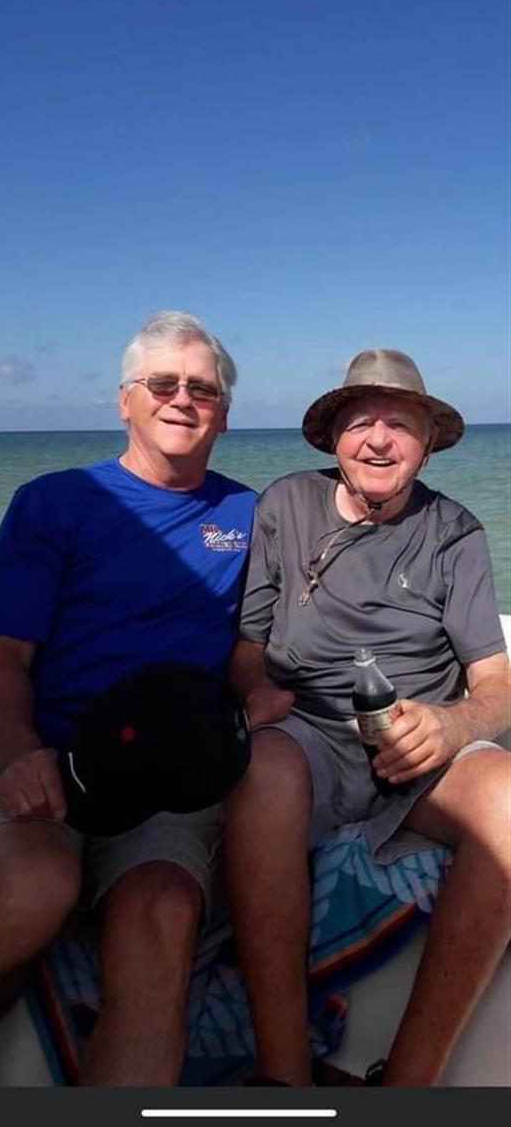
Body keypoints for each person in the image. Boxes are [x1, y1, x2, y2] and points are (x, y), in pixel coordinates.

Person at [0, 310, 257, 1085]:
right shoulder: (55, 501)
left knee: (163, 909)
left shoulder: (250, 516)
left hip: (160, 785)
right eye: (162, 382)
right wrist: (21, 751)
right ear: (124, 399)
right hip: (39, 755)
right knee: (37, 884)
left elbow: (261, 646)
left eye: (202, 387)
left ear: (224, 414)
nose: (182, 398)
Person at [224, 348, 511, 1087]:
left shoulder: (455, 531)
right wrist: (256, 691)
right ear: (333, 437)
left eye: (399, 423)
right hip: (306, 734)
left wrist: (448, 727)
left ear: (425, 441)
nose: (378, 439)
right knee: (258, 775)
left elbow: (495, 681)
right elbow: (248, 645)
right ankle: (285, 1080)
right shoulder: (284, 504)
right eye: (361, 421)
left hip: (419, 752)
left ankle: (408, 1081)